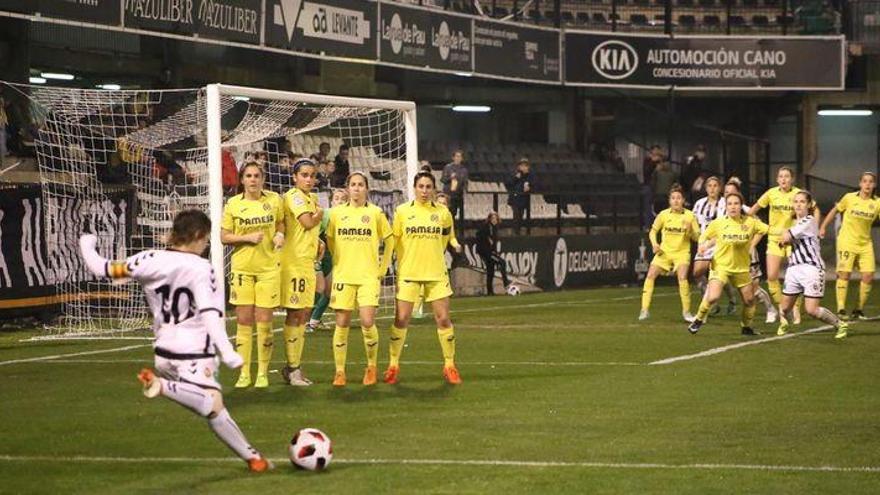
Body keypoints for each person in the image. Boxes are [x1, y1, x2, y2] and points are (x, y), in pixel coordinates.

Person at [78, 210, 271, 472]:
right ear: (198, 236)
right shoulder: (201, 268)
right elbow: (210, 313)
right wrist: (227, 351)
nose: (206, 245)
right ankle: (161, 386)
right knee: (210, 404)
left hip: (163, 350)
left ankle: (253, 458)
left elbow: (102, 268)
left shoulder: (148, 258)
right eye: (206, 240)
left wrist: (86, 244)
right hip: (193, 350)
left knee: (215, 405)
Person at [384, 171, 461, 385]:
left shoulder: (443, 212)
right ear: (414, 188)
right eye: (421, 186)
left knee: (443, 319)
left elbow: (447, 237)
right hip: (409, 273)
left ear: (434, 189)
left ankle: (449, 365)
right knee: (401, 319)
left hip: (436, 274)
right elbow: (395, 240)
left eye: (429, 187)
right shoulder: (402, 212)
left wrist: (449, 248)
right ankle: (393, 365)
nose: (425, 191)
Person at [326, 173, 395, 387]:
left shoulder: (375, 213)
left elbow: (390, 239)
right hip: (344, 276)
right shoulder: (337, 213)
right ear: (347, 189)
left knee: (367, 321)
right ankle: (339, 371)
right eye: (353, 184)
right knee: (342, 323)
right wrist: (339, 261)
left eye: (360, 185)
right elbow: (330, 239)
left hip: (367, 277)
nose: (356, 188)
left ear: (367, 189)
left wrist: (382, 268)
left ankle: (372, 367)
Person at [220, 162, 285, 389]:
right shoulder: (233, 205)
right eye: (248, 176)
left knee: (265, 322)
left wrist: (279, 233)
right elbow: (224, 237)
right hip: (242, 269)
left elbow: (281, 222)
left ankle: (263, 373)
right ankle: (244, 373)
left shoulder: (274, 200)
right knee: (244, 321)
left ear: (263, 178)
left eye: (257, 175)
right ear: (242, 180)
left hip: (268, 269)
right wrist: (246, 238)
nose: (253, 180)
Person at [688, 191, 769, 336]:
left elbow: (768, 229)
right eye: (730, 204)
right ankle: (698, 319)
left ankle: (746, 327)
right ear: (726, 206)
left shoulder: (750, 222)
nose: (733, 207)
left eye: (736, 203)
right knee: (713, 297)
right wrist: (702, 245)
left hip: (741, 268)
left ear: (741, 206)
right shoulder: (718, 223)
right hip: (721, 266)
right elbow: (704, 236)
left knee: (750, 300)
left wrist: (788, 233)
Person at [277, 158, 324, 387]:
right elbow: (306, 222)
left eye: (312, 175)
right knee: (295, 313)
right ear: (295, 177)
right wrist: (319, 216)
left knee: (304, 313)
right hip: (293, 262)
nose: (308, 179)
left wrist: (319, 242)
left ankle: (293, 366)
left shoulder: (311, 198)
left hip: (306, 262)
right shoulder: (294, 196)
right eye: (304, 175)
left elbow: (309, 230)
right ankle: (293, 368)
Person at [777, 191, 847, 338]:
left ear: (809, 205)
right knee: (783, 308)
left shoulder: (808, 221)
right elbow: (784, 240)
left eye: (802, 202)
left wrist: (782, 237)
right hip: (794, 269)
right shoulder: (795, 224)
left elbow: (786, 236)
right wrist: (783, 240)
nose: (798, 204)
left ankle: (840, 324)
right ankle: (784, 323)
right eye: (796, 202)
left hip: (811, 269)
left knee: (811, 309)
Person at [819, 171, 880, 320]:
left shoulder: (877, 203)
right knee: (845, 273)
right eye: (864, 181)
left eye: (870, 181)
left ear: (874, 185)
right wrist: (823, 226)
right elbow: (835, 210)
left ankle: (858, 310)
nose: (867, 184)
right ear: (860, 184)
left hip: (865, 243)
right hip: (847, 241)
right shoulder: (849, 198)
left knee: (868, 275)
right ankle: (840, 309)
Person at [639, 185, 699, 322]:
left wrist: (689, 230)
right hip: (665, 252)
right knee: (650, 275)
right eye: (673, 198)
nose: (676, 201)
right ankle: (644, 310)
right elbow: (653, 231)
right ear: (669, 201)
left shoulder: (690, 216)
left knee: (682, 277)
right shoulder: (663, 215)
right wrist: (655, 244)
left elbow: (697, 237)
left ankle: (687, 313)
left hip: (682, 253)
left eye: (678, 198)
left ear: (683, 200)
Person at [750, 167, 801, 323]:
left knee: (796, 277)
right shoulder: (771, 193)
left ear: (792, 179)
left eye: (786, 176)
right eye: (780, 176)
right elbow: (754, 209)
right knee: (771, 276)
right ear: (777, 179)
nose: (783, 179)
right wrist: (750, 223)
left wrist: (811, 227)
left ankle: (796, 307)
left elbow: (813, 209)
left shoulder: (798, 194)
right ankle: (783, 309)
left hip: (793, 239)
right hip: (774, 238)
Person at [724, 178, 778, 323]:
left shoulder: (747, 211)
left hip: (748, 256)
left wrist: (751, 245)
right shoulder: (722, 211)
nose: (728, 195)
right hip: (730, 257)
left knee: (753, 289)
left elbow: (760, 229)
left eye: (732, 192)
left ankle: (770, 309)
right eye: (726, 192)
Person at [307, 188, 348, 333]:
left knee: (329, 292)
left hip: (331, 256)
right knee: (320, 288)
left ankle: (314, 320)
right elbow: (313, 233)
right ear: (332, 201)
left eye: (342, 199)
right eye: (336, 198)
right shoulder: (326, 215)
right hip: (319, 255)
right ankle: (305, 319)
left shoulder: (348, 218)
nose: (339, 202)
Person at [476, 211, 511, 295]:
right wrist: (486, 241)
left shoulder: (494, 228)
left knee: (490, 269)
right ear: (489, 219)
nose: (494, 220)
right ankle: (506, 284)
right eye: (492, 218)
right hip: (486, 252)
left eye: (496, 218)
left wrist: (494, 251)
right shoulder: (487, 227)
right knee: (502, 262)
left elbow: (493, 243)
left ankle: (490, 291)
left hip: (489, 251)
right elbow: (479, 235)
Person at [505, 157, 532, 235]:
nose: (523, 167)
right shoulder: (514, 174)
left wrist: (530, 187)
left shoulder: (529, 176)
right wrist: (516, 178)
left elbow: (535, 184)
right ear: (519, 166)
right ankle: (515, 233)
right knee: (516, 217)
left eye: (525, 166)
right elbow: (508, 184)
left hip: (523, 199)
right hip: (515, 199)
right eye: (522, 165)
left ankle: (518, 232)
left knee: (520, 217)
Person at [441, 150, 469, 221]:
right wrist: (450, 177)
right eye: (457, 156)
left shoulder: (464, 170)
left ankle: (459, 230)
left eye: (460, 157)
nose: (458, 158)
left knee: (459, 214)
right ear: (453, 157)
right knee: (449, 214)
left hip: (458, 195)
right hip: (449, 195)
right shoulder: (448, 167)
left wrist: (465, 190)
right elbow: (443, 180)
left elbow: (465, 182)